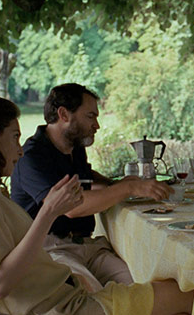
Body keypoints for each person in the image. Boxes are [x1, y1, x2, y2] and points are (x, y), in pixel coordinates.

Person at [0, 97, 193, 315]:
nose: (20, 151)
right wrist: (48, 213)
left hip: (60, 301)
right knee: (191, 297)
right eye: (14, 137)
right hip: (59, 313)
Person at [10, 83, 172, 292]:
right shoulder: (32, 157)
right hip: (50, 250)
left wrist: (116, 184)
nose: (97, 125)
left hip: (87, 246)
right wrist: (129, 188)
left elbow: (87, 181)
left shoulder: (73, 148)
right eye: (90, 116)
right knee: (94, 301)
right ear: (64, 114)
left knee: (143, 288)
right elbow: (72, 208)